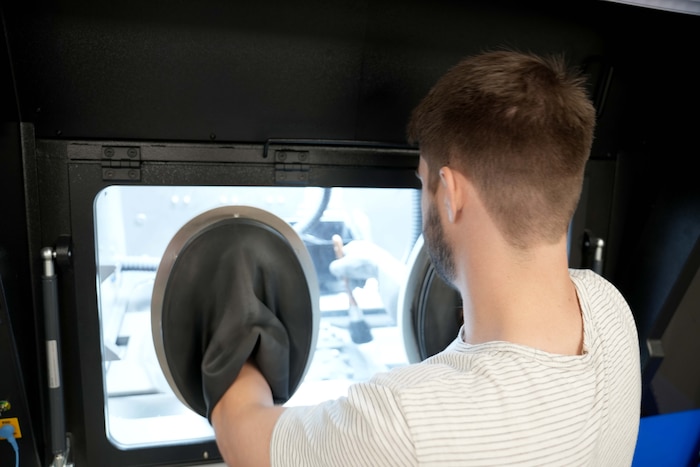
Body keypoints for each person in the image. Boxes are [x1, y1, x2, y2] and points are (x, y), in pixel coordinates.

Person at [210, 49, 641, 466]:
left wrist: (236, 309)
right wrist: (387, 274)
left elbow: (241, 436)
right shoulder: (609, 310)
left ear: (451, 194)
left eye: (423, 183)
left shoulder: (401, 422)